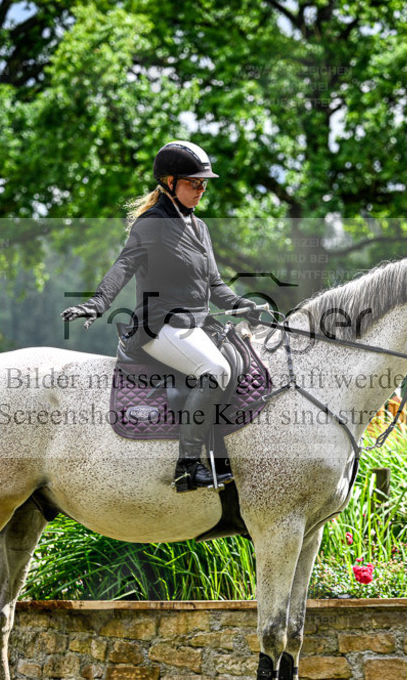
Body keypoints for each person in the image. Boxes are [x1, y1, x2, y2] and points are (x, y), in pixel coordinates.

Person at [62, 141, 265, 492]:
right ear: (170, 182)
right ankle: (187, 467)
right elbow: (124, 266)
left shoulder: (199, 227)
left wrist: (241, 305)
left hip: (198, 325)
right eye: (194, 183)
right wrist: (96, 303)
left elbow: (215, 283)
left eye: (204, 184)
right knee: (215, 371)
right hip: (160, 326)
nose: (201, 190)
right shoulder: (151, 224)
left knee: (240, 361)